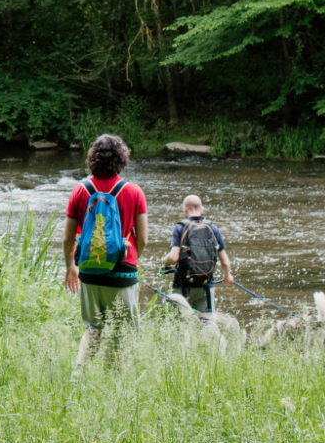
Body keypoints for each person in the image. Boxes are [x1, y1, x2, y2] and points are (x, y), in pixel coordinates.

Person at [63, 133, 147, 368]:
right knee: (119, 333)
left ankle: (78, 377)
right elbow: (144, 239)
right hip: (123, 271)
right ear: (121, 159)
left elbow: (68, 237)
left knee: (93, 328)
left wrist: (71, 267)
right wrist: (132, 259)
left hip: (89, 270)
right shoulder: (134, 192)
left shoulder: (80, 190)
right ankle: (113, 382)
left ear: (93, 158)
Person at [161, 195, 234, 313]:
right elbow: (225, 261)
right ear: (202, 209)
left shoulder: (180, 227)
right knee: (207, 323)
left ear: (185, 209)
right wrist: (227, 275)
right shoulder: (213, 228)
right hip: (206, 286)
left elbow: (174, 257)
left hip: (182, 286)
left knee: (179, 324)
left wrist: (163, 261)